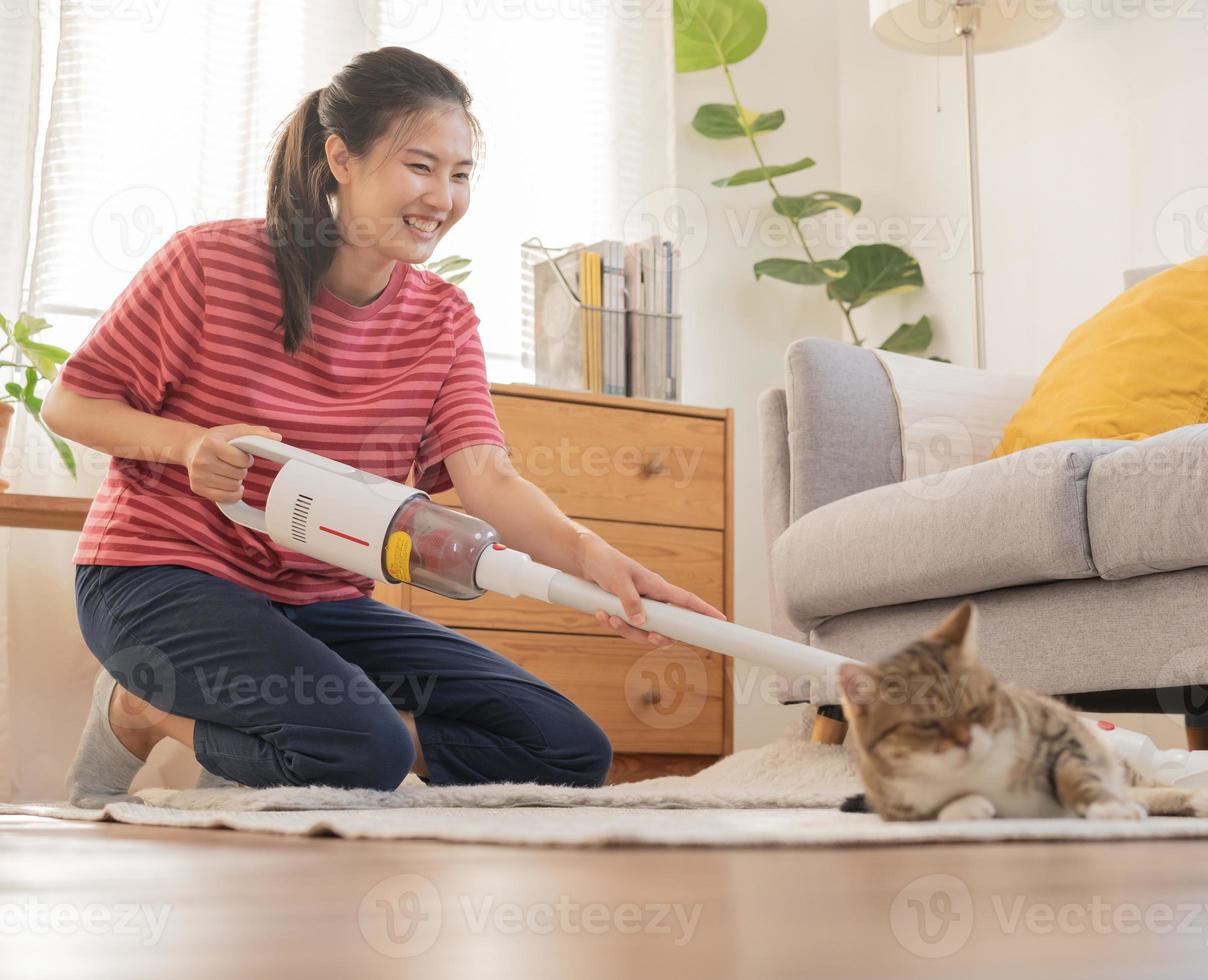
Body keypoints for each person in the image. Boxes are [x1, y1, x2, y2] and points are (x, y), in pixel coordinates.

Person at [43, 47, 725, 807]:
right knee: (366, 748)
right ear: (341, 157)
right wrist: (189, 444)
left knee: (567, 747)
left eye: (461, 174)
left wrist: (605, 566)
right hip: (159, 579)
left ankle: (293, 742)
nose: (443, 196)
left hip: (318, 603)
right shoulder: (209, 263)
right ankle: (141, 708)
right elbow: (69, 405)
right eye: (420, 166)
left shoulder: (443, 319)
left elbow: (486, 476)